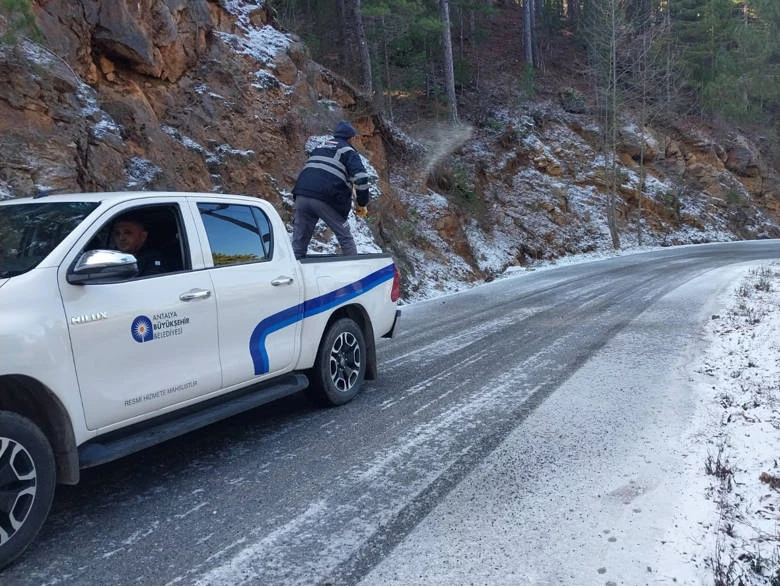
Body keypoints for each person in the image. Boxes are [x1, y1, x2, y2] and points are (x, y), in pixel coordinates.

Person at [291, 120, 370, 259]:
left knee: (299, 241)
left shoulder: (319, 148)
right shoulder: (348, 151)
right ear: (351, 138)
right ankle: (356, 274)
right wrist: (362, 203)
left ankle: (293, 273)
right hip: (325, 197)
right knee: (345, 236)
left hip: (301, 195)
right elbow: (361, 178)